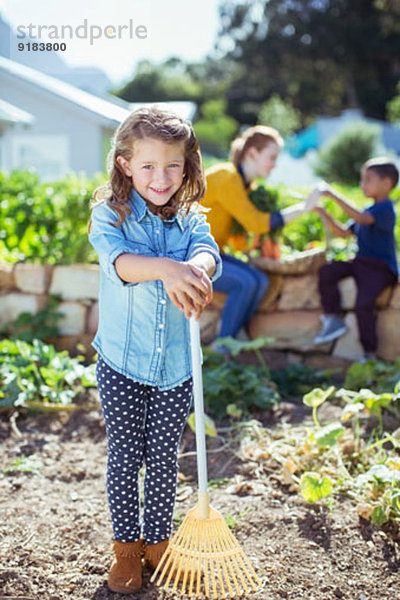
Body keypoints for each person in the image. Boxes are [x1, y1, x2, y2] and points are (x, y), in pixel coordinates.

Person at [88, 106, 221, 594]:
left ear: (187, 166)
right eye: (147, 166)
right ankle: (126, 550)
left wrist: (198, 266)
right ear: (124, 163)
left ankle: (158, 546)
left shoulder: (189, 218)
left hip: (177, 367)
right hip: (122, 363)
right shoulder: (111, 215)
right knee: (126, 457)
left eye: (172, 166)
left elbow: (209, 251)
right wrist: (168, 269)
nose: (161, 178)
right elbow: (118, 263)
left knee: (164, 457)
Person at [201, 125, 314, 343]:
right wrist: (303, 208)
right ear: (252, 153)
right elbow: (256, 223)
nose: (274, 164)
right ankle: (223, 344)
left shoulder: (246, 185)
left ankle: (233, 336)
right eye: (271, 157)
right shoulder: (227, 176)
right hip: (190, 255)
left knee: (261, 281)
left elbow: (237, 236)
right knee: (245, 283)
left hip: (214, 253)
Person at [312, 157, 399, 360]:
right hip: (360, 263)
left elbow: (361, 219)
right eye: (362, 180)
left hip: (380, 269)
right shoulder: (368, 210)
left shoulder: (385, 210)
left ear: (386, 184)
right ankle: (333, 318)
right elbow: (343, 232)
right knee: (327, 271)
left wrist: (332, 194)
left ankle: (369, 352)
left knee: (363, 305)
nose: (362, 184)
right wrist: (324, 214)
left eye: (368, 179)